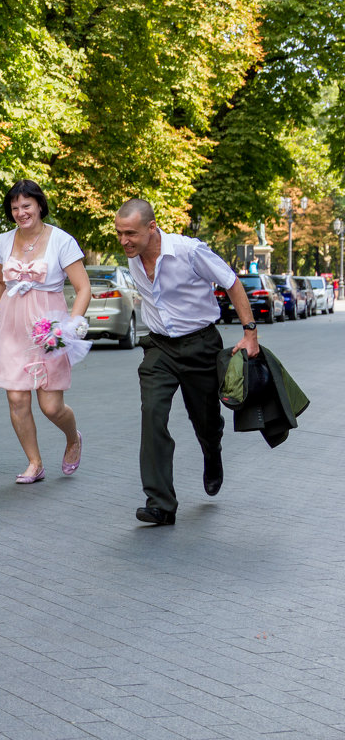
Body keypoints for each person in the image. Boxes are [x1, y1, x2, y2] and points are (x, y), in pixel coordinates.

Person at [114, 198, 260, 525]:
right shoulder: (134, 257)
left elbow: (232, 282)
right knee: (152, 413)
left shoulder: (188, 251)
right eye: (120, 233)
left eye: (131, 234)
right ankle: (160, 503)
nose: (124, 241)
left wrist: (250, 333)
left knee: (205, 419)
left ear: (152, 228)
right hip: (159, 349)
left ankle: (212, 451)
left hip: (200, 345)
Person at [0, 180, 91, 484]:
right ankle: (34, 462)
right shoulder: (4, 241)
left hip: (48, 326)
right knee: (17, 398)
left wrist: (72, 324)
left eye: (26, 205)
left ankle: (73, 438)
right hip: (11, 325)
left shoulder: (62, 241)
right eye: (15, 207)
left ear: (39, 206)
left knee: (51, 406)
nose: (21, 212)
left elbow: (83, 288)